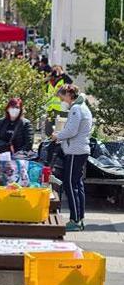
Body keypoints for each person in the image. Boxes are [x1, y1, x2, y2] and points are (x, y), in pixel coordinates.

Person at [52, 84, 93, 231]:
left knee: (70, 185)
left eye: (62, 97)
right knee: (78, 184)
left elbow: (71, 131)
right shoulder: (84, 107)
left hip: (75, 151)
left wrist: (57, 136)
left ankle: (74, 220)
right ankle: (80, 218)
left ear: (69, 95)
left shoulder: (76, 109)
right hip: (81, 150)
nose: (61, 100)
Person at [0, 98, 35, 175]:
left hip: (18, 155)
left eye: (17, 107)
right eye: (12, 107)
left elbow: (28, 144)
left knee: (13, 166)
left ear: (20, 109)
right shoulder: (1, 122)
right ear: (7, 108)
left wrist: (16, 155)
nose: (14, 110)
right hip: (1, 154)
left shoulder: (26, 124)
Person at [44, 65, 73, 136]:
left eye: (57, 70)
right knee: (49, 131)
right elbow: (42, 83)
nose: (55, 72)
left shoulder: (63, 81)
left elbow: (70, 82)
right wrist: (49, 76)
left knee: (60, 131)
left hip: (61, 110)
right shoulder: (49, 82)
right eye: (53, 70)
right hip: (50, 110)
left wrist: (62, 73)